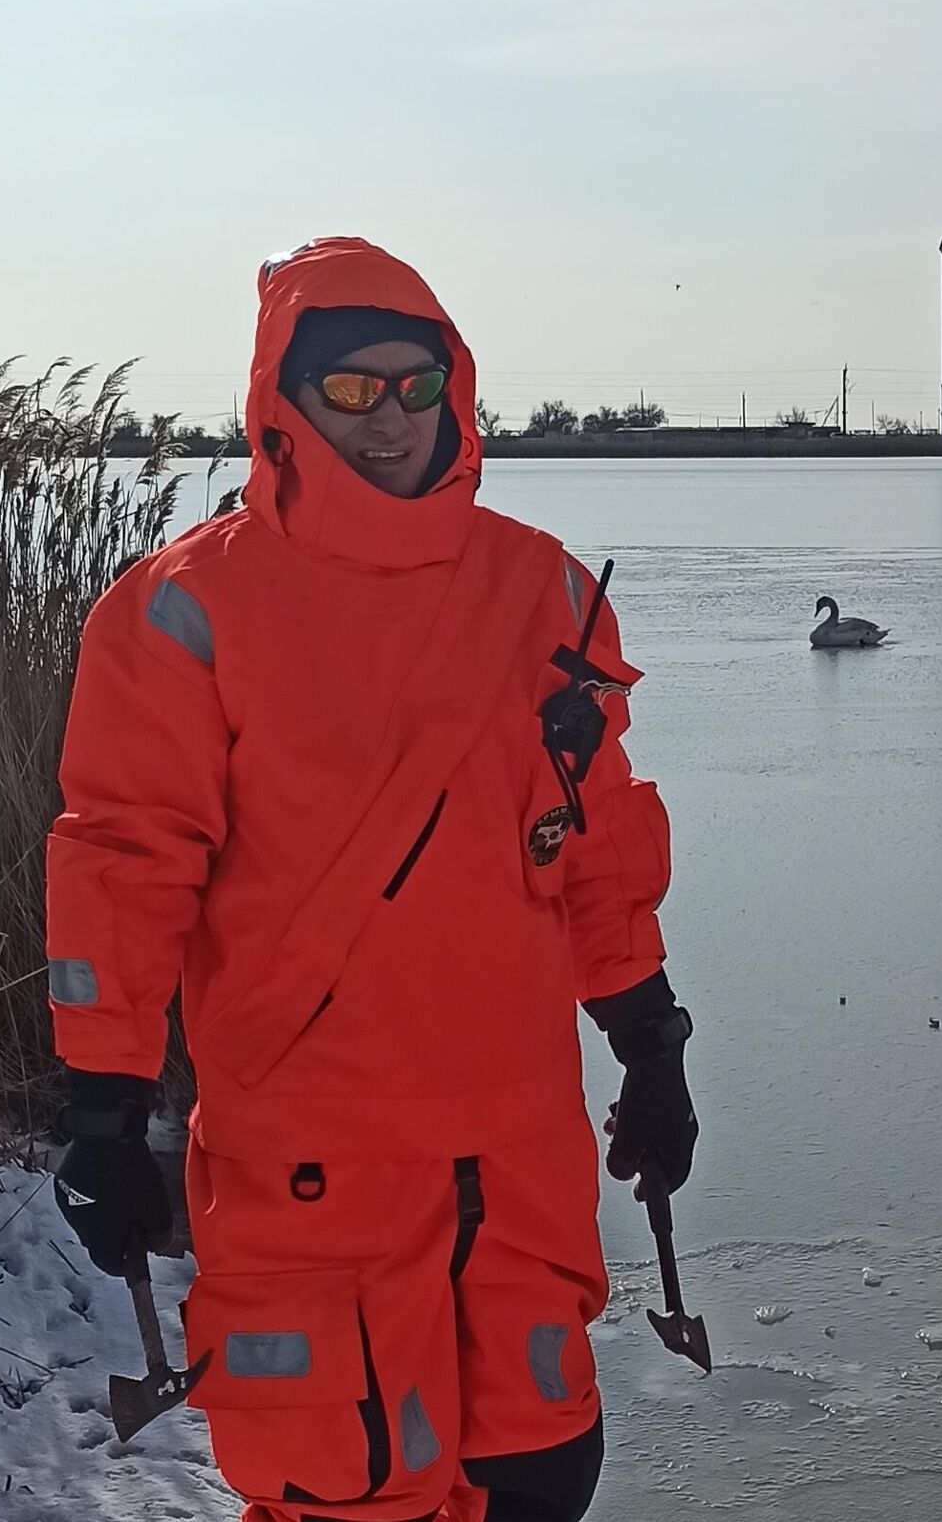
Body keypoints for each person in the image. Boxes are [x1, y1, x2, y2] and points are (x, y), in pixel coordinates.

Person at [45, 237, 698, 1522]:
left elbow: (599, 844)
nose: (391, 417)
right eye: (352, 391)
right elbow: (123, 869)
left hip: (518, 1158)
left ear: (455, 391)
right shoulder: (181, 614)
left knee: (545, 1476)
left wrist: (651, 1042)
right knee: (344, 1491)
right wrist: (105, 1110)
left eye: (417, 385)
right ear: (281, 400)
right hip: (313, 1175)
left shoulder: (546, 591)